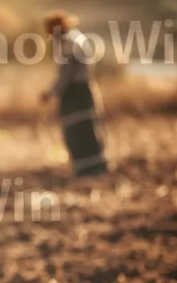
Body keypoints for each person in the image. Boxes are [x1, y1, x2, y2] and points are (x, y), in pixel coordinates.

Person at [40, 11, 109, 177]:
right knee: (86, 127)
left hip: (75, 93)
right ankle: (95, 166)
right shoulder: (75, 38)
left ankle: (88, 168)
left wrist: (51, 93)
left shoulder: (68, 43)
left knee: (78, 130)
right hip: (82, 90)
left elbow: (66, 74)